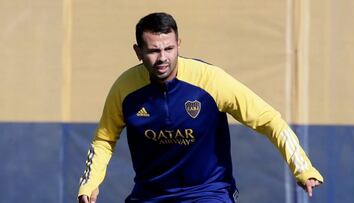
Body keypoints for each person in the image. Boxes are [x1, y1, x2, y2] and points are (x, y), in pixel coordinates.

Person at [78, 12, 323, 203]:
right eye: (153, 50)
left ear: (179, 44)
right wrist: (90, 183)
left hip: (208, 192)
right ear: (138, 51)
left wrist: (302, 168)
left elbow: (269, 120)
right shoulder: (125, 88)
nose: (163, 57)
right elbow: (104, 140)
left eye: (169, 48)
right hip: (151, 194)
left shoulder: (210, 80)